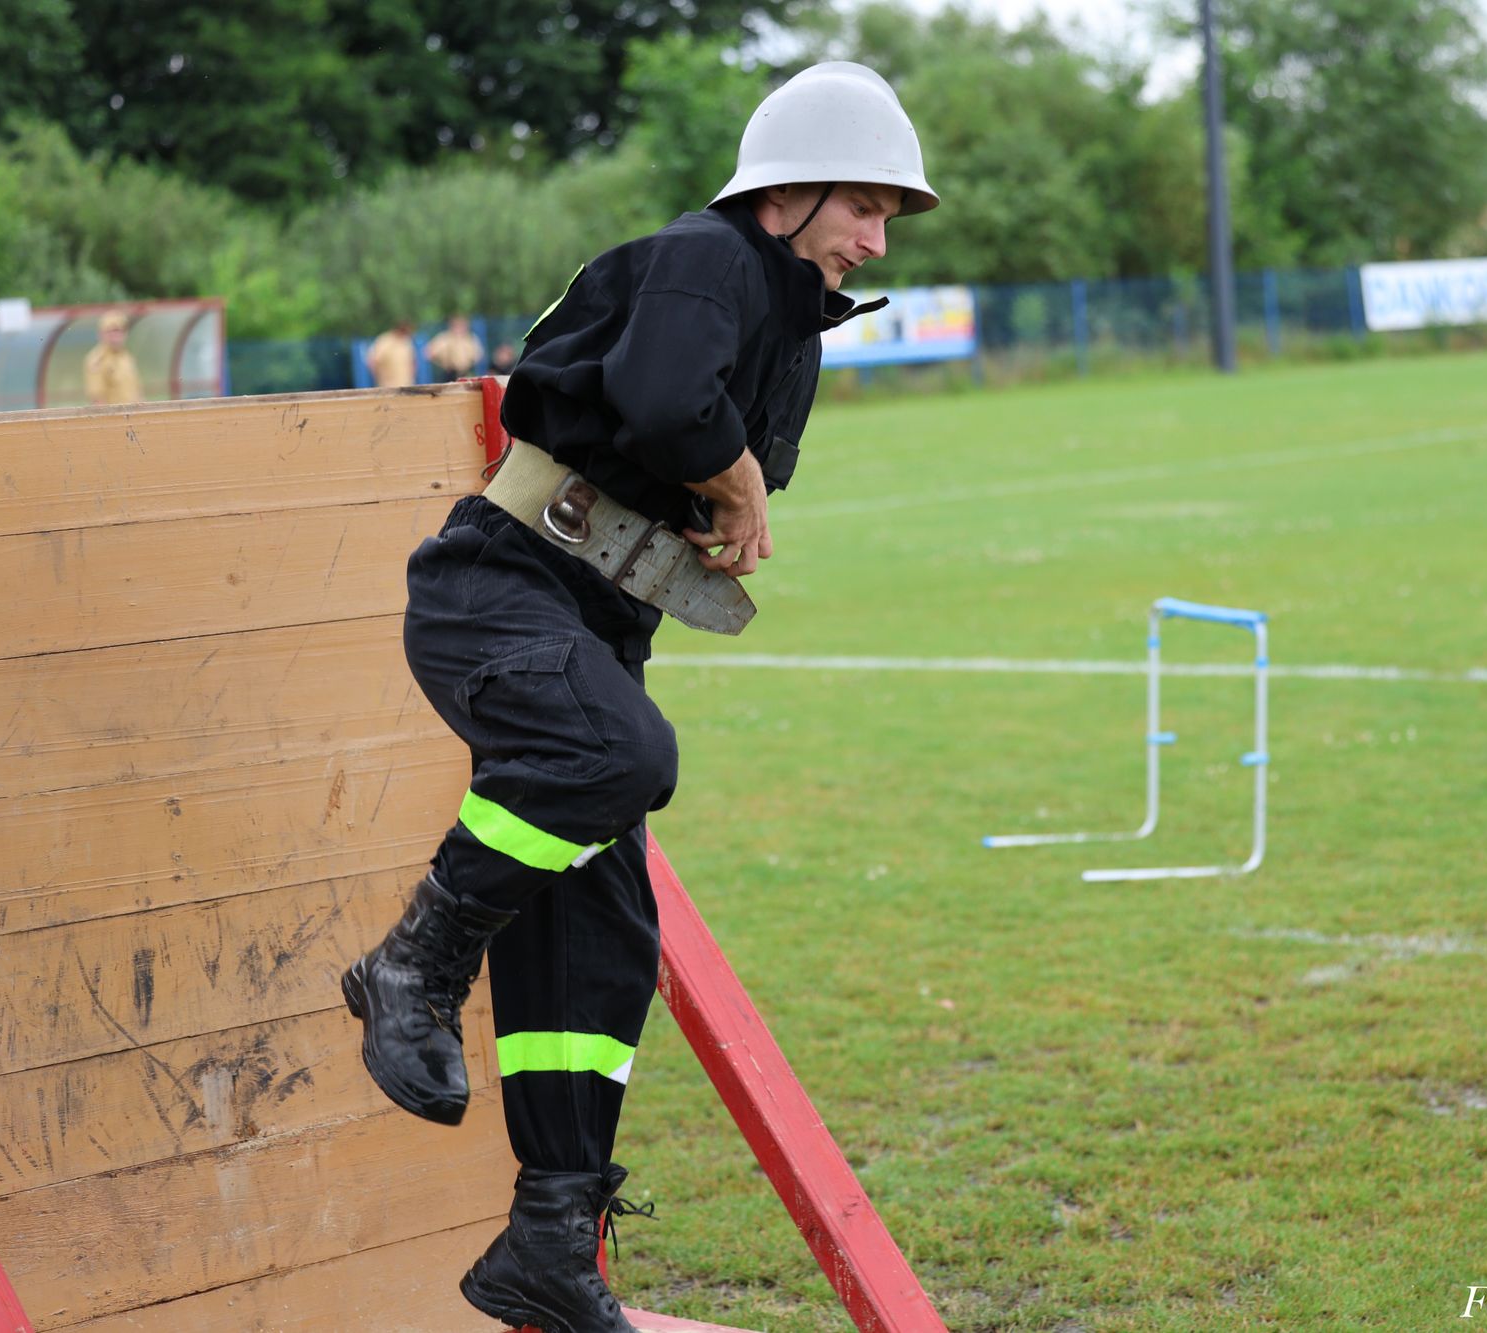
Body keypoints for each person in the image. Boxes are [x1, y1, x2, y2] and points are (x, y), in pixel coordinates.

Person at [338, 62, 937, 1332]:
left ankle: (548, 1238)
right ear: (785, 192)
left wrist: (722, 504)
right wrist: (735, 479)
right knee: (619, 757)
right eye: (862, 207)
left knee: (602, 941)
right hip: (497, 586)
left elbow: (681, 447)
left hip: (598, 620)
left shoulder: (783, 320)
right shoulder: (707, 257)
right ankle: (411, 964)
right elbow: (669, 403)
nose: (876, 241)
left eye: (888, 217)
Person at [83, 311, 143, 405]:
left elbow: (137, 391)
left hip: (135, 413)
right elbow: (98, 400)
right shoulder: (96, 360)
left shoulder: (126, 356)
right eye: (110, 331)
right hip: (114, 414)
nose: (115, 336)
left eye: (119, 330)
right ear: (101, 334)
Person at [425, 313, 487, 382]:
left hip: (466, 373)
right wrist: (442, 364)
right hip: (450, 373)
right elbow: (429, 353)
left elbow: (479, 356)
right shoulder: (445, 338)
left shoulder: (471, 338)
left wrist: (469, 364)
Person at [365, 319, 419, 388]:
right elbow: (372, 361)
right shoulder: (385, 340)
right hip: (388, 387)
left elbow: (412, 361)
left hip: (407, 385)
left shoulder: (407, 341)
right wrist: (379, 378)